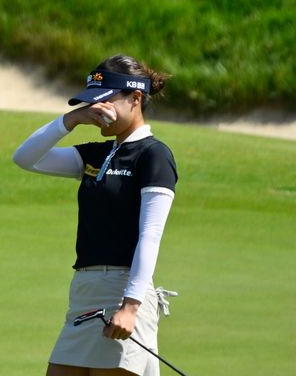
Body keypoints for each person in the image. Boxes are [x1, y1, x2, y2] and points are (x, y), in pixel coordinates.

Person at [12, 55, 178, 376]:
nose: (98, 110)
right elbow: (26, 158)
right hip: (84, 294)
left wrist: (131, 307)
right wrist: (71, 120)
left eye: (105, 101)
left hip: (122, 292)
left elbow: (150, 234)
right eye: (93, 103)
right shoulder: (96, 154)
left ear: (135, 98)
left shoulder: (154, 155)